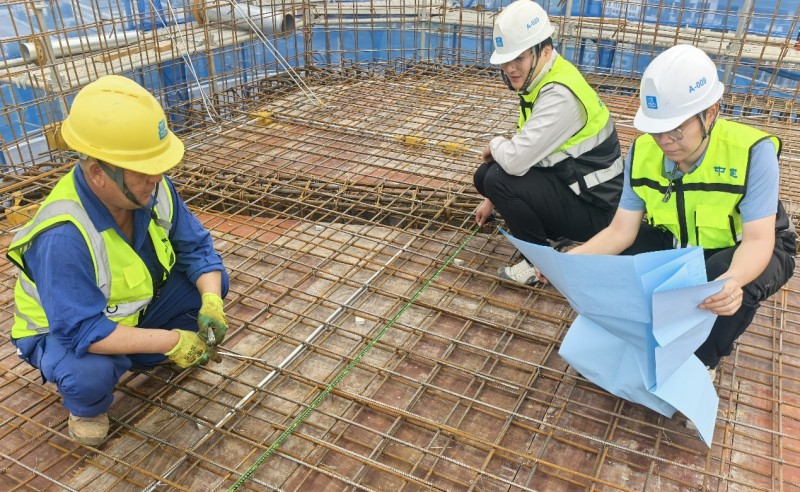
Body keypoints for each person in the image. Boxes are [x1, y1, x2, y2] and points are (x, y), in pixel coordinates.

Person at [7, 75, 230, 446]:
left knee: (211, 282)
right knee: (88, 375)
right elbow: (81, 330)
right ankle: (87, 407)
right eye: (144, 169)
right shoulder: (64, 235)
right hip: (65, 333)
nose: (157, 177)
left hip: (129, 314)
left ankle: (141, 352)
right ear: (98, 172)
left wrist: (211, 300)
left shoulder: (150, 189)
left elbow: (198, 250)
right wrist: (173, 341)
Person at [567, 44, 796, 377]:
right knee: (617, 261)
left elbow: (758, 241)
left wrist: (733, 281)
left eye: (676, 127)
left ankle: (701, 363)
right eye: (656, 128)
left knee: (722, 284)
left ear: (711, 113)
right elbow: (621, 232)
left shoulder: (751, 153)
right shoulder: (643, 151)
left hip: (753, 247)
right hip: (683, 245)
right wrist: (573, 261)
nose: (665, 140)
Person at [474, 0, 623, 285]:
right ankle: (553, 236)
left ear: (544, 49)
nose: (511, 68)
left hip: (601, 212)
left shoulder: (559, 96)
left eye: (519, 58)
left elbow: (516, 160)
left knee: (497, 176)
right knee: (486, 177)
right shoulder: (542, 79)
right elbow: (525, 144)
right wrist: (491, 202)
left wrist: (494, 144)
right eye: (506, 60)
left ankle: (539, 262)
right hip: (578, 189)